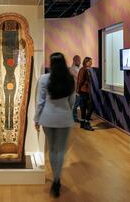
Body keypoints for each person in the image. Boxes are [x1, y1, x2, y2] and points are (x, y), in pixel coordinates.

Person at [34, 52, 75, 198]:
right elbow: (72, 101)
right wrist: (68, 112)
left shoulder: (44, 79)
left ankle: (55, 179)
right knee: (61, 150)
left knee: (51, 149)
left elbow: (40, 102)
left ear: (51, 63)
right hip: (64, 117)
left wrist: (36, 119)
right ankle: (57, 179)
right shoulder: (70, 79)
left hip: (47, 117)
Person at [77, 57, 94, 131]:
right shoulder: (83, 70)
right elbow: (80, 81)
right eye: (90, 62)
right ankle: (86, 123)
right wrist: (78, 90)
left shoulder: (84, 70)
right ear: (86, 62)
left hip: (84, 92)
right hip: (83, 92)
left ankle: (82, 123)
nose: (91, 63)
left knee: (83, 109)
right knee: (90, 108)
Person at [69, 55, 81, 122]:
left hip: (77, 90)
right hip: (74, 90)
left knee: (75, 104)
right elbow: (79, 78)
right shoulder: (73, 69)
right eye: (79, 60)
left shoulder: (76, 68)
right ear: (74, 60)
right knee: (74, 105)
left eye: (80, 60)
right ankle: (74, 118)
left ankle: (74, 117)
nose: (80, 62)